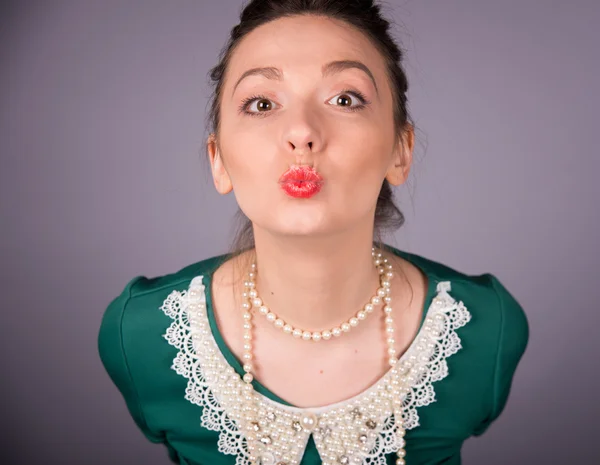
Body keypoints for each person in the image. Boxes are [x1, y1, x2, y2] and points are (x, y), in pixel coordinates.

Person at [97, 1, 530, 464]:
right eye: (262, 103)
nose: (301, 131)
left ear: (400, 151)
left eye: (344, 99)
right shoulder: (144, 334)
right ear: (218, 160)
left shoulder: (483, 328)